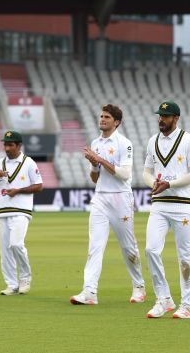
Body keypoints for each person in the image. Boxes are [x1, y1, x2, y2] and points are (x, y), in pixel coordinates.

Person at [70, 104, 146, 306]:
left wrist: (100, 160)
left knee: (128, 247)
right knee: (95, 246)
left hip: (121, 198)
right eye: (101, 116)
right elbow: (95, 178)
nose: (102, 119)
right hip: (100, 198)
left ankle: (139, 286)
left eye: (107, 117)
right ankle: (90, 292)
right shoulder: (95, 142)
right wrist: (94, 164)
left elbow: (124, 174)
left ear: (117, 122)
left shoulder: (124, 143)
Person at [142, 101, 190, 319]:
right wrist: (153, 184)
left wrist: (170, 183)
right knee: (151, 250)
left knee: (185, 257)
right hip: (159, 205)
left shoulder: (188, 140)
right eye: (160, 116)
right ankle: (164, 299)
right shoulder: (152, 141)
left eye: (166, 116)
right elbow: (146, 172)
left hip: (183, 205)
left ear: (176, 118)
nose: (161, 119)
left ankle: (188, 305)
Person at [0, 130, 43, 296]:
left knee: (16, 244)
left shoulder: (29, 163)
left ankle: (25, 279)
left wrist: (18, 191)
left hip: (21, 211)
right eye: (5, 144)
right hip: (1, 211)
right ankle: (11, 284)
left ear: (19, 145)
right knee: (5, 250)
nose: (7, 148)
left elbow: (39, 186)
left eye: (10, 145)